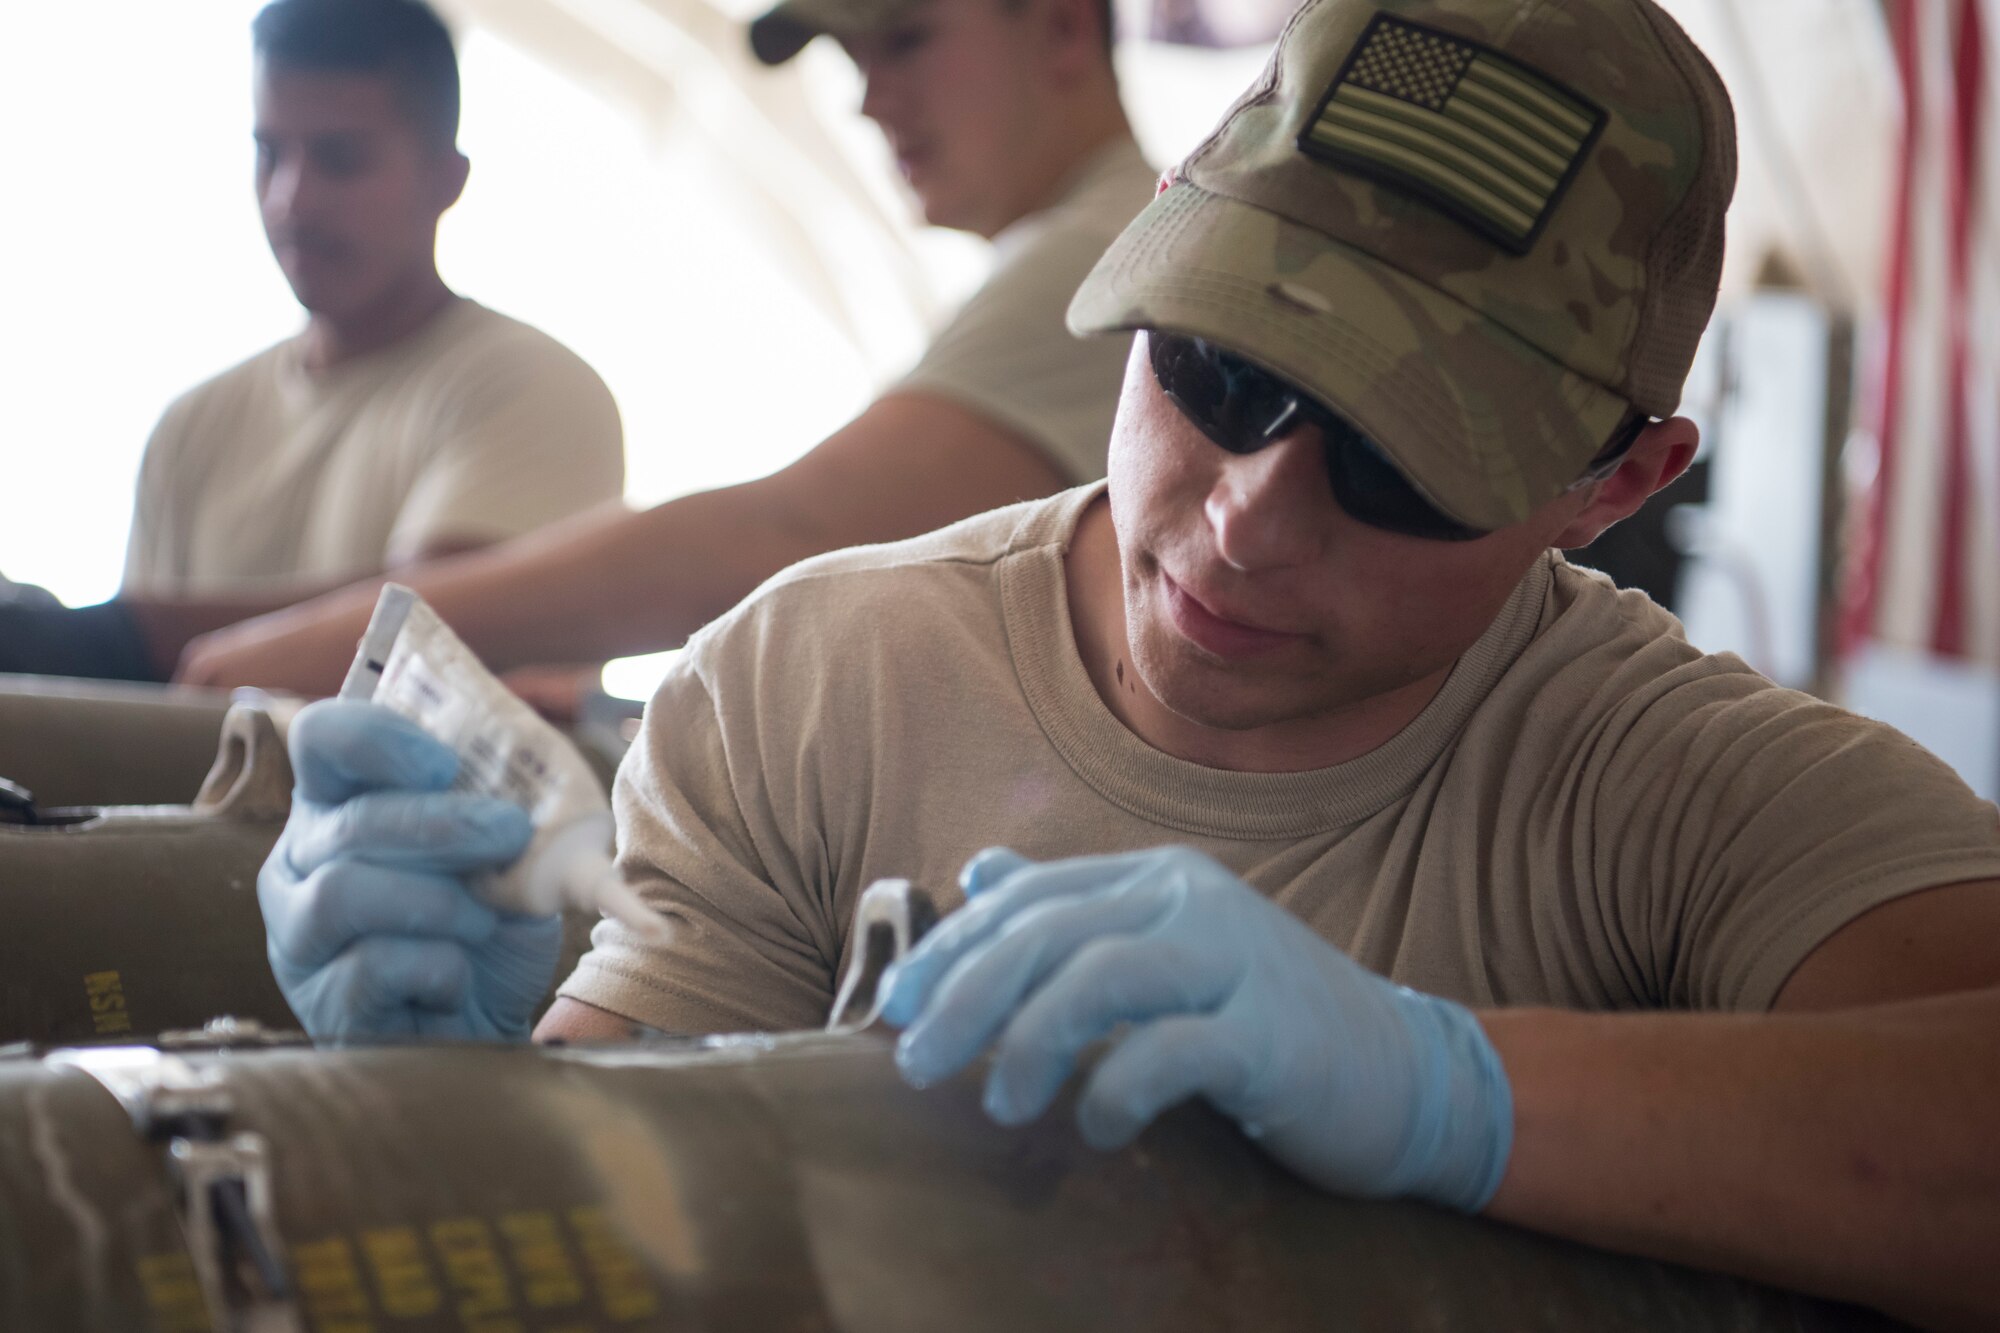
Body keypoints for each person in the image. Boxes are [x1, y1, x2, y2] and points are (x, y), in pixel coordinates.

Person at [254, 0, 2000, 1326]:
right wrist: (465, 1100)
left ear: (1615, 485)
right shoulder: (811, 683)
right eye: (1219, 374)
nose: (1246, 521)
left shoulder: (1677, 794)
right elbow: (616, 1219)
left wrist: (1449, 1087)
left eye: (1406, 464)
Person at [168, 0, 1153, 697]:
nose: (866, 100)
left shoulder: (1104, 256)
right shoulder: (1071, 256)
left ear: (1063, 23)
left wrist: (337, 640)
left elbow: (788, 531)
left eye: (904, 39)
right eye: (854, 60)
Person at [0, 0, 626, 682]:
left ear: (446, 180)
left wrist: (115, 638)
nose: (291, 200)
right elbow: (138, 721)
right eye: (270, 153)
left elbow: (437, 635)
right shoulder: (190, 427)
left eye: (340, 158)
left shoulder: (530, 388)